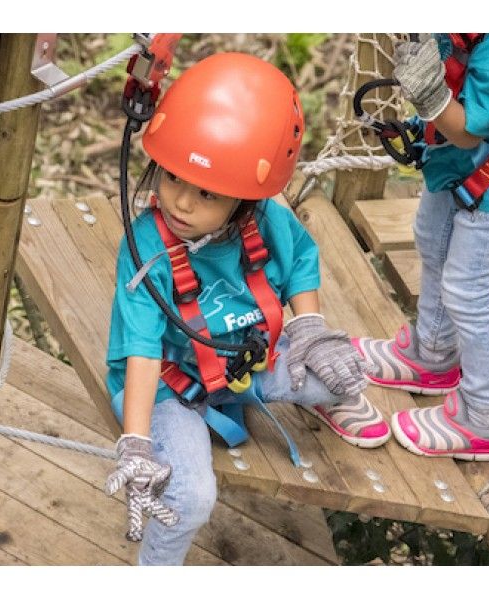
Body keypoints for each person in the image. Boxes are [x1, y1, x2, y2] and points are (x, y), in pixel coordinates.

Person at [104, 52, 391, 565]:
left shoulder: (265, 222)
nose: (181, 203)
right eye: (172, 179)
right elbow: (144, 352)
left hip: (247, 366)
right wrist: (136, 441)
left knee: (345, 371)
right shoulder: (146, 248)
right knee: (190, 498)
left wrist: (308, 328)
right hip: (172, 387)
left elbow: (302, 259)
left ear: (243, 199)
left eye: (206, 192)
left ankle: (324, 397)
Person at [353, 34, 489, 459]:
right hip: (459, 156)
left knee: (467, 291)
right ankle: (432, 353)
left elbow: (469, 130)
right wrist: (420, 124)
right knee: (431, 240)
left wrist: (430, 96)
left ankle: (484, 417)